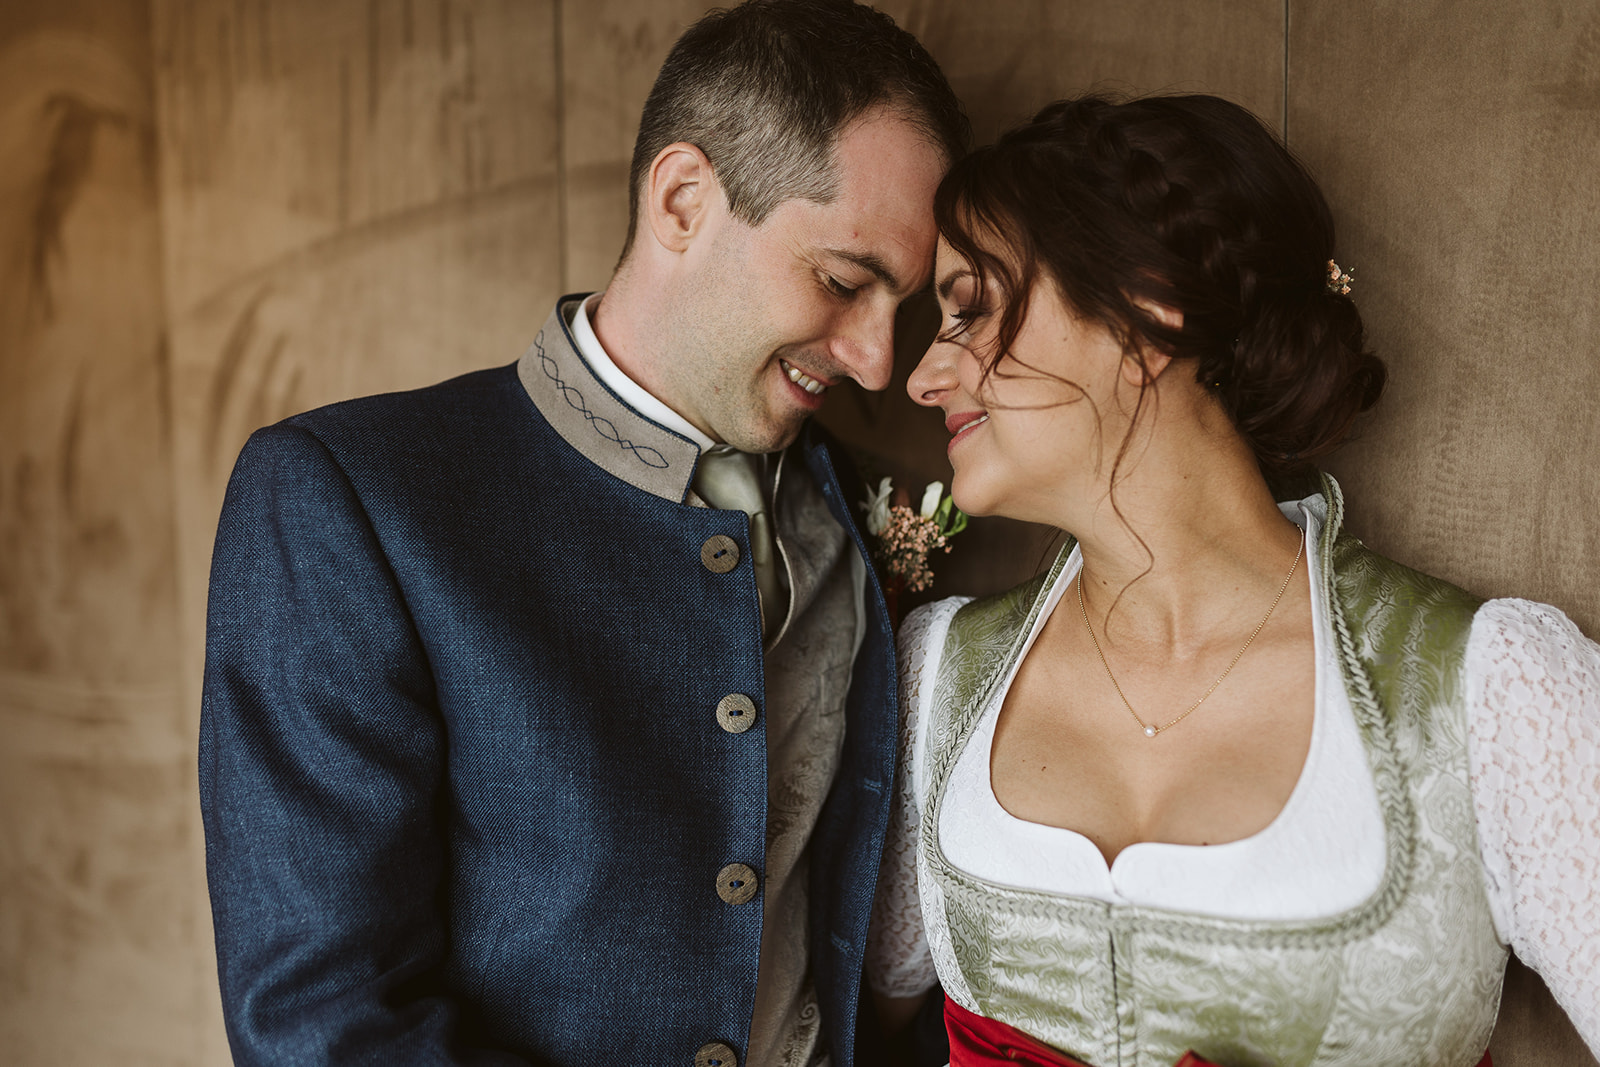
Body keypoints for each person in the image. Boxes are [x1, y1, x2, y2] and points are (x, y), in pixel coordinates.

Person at [198, 3, 968, 1064]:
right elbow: (321, 1023)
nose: (879, 361)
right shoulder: (350, 497)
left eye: (903, 304)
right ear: (683, 200)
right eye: (842, 281)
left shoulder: (862, 496)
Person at [864, 94, 1599, 1066]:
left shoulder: (1491, 690)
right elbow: (853, 1023)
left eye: (971, 307)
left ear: (1150, 306)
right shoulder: (940, 673)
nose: (923, 375)